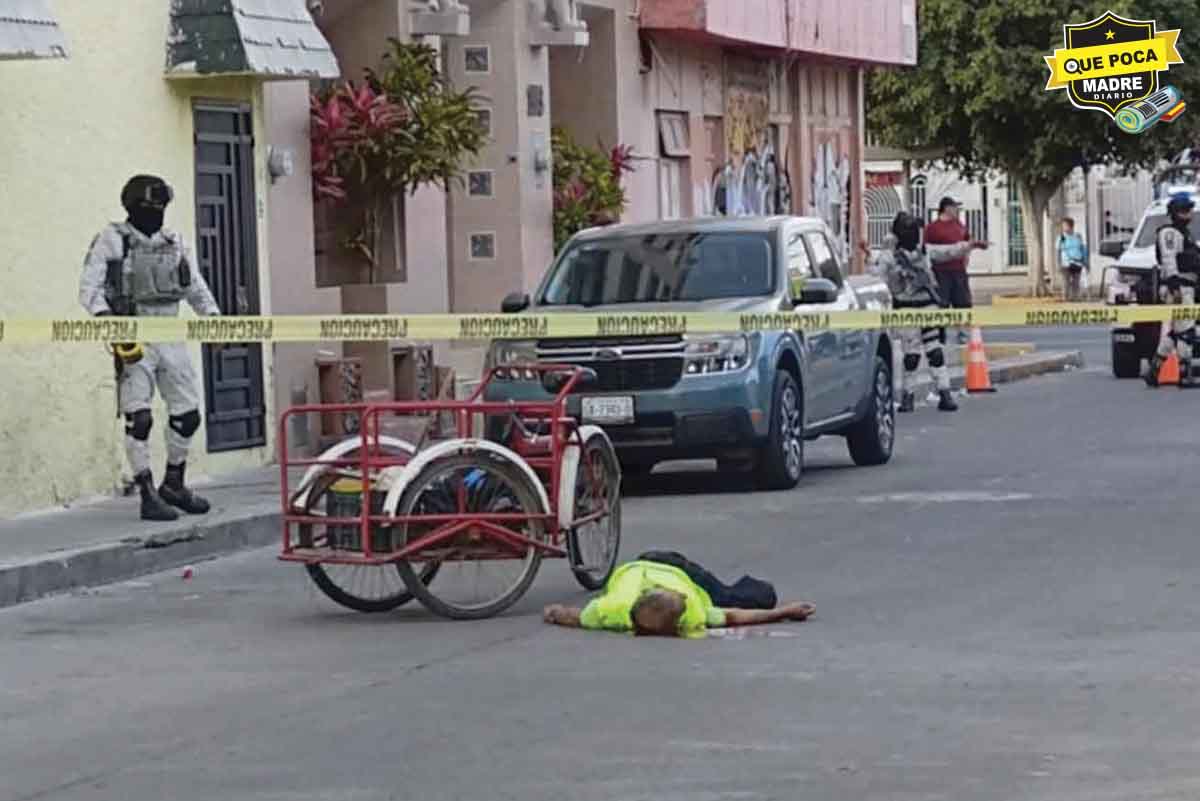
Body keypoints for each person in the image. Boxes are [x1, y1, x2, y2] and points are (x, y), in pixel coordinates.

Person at [79, 175, 222, 520]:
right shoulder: (112, 240)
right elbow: (89, 291)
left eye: (161, 207)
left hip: (170, 331)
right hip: (134, 332)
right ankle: (146, 491)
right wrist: (113, 326)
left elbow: (194, 285)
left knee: (187, 415)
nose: (156, 214)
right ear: (132, 208)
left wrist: (214, 319)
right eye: (149, 208)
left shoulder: (174, 242)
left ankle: (174, 482)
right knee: (139, 416)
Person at [865, 213, 986, 413]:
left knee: (934, 351)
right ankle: (909, 395)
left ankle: (944, 392)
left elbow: (949, 251)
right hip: (906, 309)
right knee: (911, 355)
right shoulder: (890, 257)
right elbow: (876, 276)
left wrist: (969, 245)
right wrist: (870, 258)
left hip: (927, 307)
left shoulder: (923, 252)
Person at [542, 551, 815, 638]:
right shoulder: (691, 610)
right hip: (647, 561)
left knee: (738, 596)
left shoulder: (610, 611)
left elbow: (570, 615)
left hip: (677, 568)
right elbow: (737, 617)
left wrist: (555, 613)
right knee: (761, 597)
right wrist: (782, 611)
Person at [1147, 192, 1200, 386]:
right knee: (1186, 331)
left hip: (1186, 287)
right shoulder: (1170, 233)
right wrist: (1175, 286)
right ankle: (1185, 375)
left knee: (1176, 333)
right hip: (1179, 288)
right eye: (1185, 211)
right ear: (1176, 212)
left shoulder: (1183, 233)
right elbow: (1169, 261)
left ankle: (1155, 370)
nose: (1189, 215)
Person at [924, 196, 974, 344]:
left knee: (963, 303)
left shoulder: (959, 225)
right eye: (954, 207)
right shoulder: (932, 228)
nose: (957, 210)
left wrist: (967, 255)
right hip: (941, 273)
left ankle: (963, 336)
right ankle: (940, 337)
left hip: (959, 271)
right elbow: (927, 250)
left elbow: (967, 241)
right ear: (946, 208)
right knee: (941, 305)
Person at [1056, 217, 1088, 302]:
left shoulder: (1078, 236)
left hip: (1077, 262)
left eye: (1065, 225)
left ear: (1071, 226)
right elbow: (1058, 251)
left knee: (1076, 282)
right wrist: (1058, 263)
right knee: (1065, 282)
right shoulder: (1061, 237)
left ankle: (1075, 297)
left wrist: (1085, 260)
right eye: (1063, 226)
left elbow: (1082, 248)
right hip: (1065, 263)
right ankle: (1065, 298)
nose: (1064, 227)